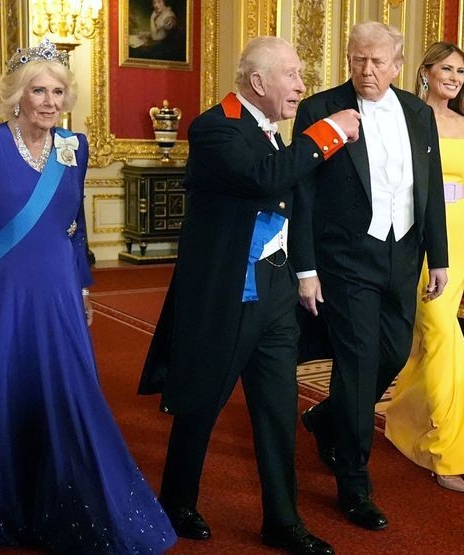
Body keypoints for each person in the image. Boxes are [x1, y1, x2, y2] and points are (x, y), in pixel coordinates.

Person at [0, 39, 176, 554]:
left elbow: (74, 228)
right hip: (0, 289)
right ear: (16, 97)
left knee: (66, 392)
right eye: (38, 91)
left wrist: (80, 288)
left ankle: (66, 503)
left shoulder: (74, 145)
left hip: (56, 291)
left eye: (57, 91)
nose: (49, 101)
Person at [139, 36, 360, 554]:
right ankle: (177, 501)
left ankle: (282, 521)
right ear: (258, 83)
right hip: (225, 295)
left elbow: (292, 206)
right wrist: (327, 132)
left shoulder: (274, 135)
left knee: (277, 409)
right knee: (201, 403)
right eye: (292, 74)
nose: (302, 85)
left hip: (275, 294)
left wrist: (304, 274)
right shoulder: (215, 128)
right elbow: (266, 180)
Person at [291, 21, 449, 530]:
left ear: (398, 65)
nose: (366, 70)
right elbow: (304, 195)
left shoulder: (419, 113)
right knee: (357, 366)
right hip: (346, 259)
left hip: (403, 255)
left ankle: (326, 417)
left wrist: (439, 257)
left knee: (393, 353)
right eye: (358, 59)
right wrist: (307, 268)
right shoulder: (319, 109)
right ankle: (354, 484)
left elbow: (430, 187)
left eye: (377, 61)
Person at [383, 42, 464, 494]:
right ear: (426, 71)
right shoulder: (406, 117)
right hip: (415, 235)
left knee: (433, 336)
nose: (455, 77)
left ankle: (408, 426)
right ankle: (448, 447)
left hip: (454, 238)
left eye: (461, 71)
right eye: (447, 68)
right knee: (436, 332)